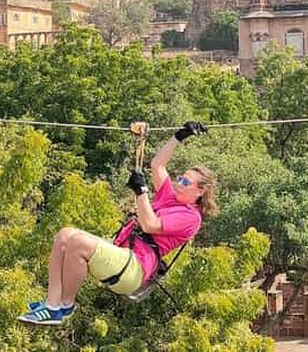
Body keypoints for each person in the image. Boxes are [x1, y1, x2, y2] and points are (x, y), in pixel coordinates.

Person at [17, 121, 217, 325]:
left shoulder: (191, 217)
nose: (178, 184)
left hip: (135, 267)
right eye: (180, 179)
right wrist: (179, 136)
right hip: (122, 253)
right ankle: (52, 303)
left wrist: (141, 192)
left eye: (185, 183)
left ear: (200, 192)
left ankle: (64, 306)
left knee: (77, 243)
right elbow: (158, 165)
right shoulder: (170, 196)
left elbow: (150, 225)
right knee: (65, 235)